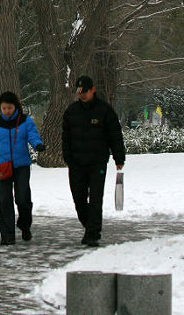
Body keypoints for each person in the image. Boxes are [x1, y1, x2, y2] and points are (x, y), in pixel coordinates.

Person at [62, 75, 126, 248]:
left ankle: (93, 234)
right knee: (79, 199)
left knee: (96, 199)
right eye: (79, 92)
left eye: (85, 92)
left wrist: (118, 158)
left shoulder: (104, 111)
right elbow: (65, 138)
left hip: (97, 162)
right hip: (76, 163)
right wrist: (67, 157)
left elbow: (115, 135)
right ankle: (89, 226)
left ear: (93, 90)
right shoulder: (71, 111)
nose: (82, 95)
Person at [0, 91, 45, 245]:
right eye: (4, 108)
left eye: (9, 108)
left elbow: (32, 135)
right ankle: (7, 235)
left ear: (15, 106)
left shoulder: (25, 121)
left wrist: (37, 144)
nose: (6, 111)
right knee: (5, 200)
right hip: (3, 167)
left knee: (23, 198)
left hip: (22, 165)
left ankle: (25, 225)